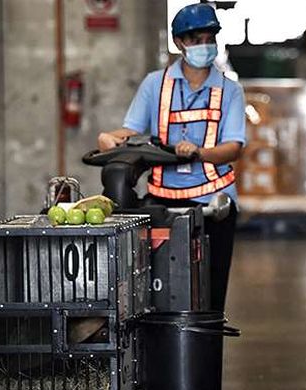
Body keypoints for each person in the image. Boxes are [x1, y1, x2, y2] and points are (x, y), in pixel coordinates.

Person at [97, 3, 245, 312]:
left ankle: (205, 354)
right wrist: (111, 139)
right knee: (158, 293)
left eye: (208, 38)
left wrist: (198, 152)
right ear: (180, 43)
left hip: (213, 206)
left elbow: (233, 147)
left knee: (209, 295)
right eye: (195, 40)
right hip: (162, 204)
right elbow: (130, 130)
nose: (204, 46)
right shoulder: (155, 85)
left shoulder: (229, 91)